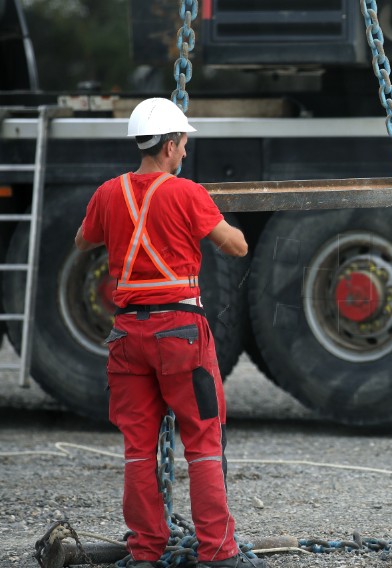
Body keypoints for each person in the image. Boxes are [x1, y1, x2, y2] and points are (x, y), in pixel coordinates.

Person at [74, 98, 265, 568]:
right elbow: (238, 246)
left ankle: (144, 553)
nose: (185, 153)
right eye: (183, 144)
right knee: (202, 441)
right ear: (169, 145)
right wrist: (199, 214)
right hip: (181, 333)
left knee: (138, 448)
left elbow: (83, 240)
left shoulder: (108, 193)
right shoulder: (187, 193)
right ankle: (218, 552)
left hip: (126, 336)